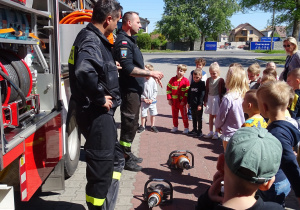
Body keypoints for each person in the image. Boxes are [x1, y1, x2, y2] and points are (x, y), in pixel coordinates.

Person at [68, 1, 123, 209]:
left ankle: (108, 203)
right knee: (101, 170)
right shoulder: (91, 39)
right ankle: (98, 206)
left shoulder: (93, 38)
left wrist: (110, 65)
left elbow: (94, 67)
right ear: (108, 19)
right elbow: (84, 71)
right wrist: (100, 98)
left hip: (101, 116)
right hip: (96, 114)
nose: (116, 25)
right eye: (116, 20)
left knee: (116, 158)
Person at [113, 11, 164, 172]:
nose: (141, 26)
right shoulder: (123, 42)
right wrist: (150, 73)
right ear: (128, 23)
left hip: (135, 90)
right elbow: (127, 68)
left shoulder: (129, 41)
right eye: (138, 23)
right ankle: (124, 158)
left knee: (133, 123)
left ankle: (127, 152)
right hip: (129, 91)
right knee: (129, 123)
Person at [195, 127, 284, 210]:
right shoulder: (276, 208)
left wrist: (206, 200)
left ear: (220, 164)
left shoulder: (204, 205)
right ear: (268, 183)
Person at [256, 81, 300, 207]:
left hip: (275, 182)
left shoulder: (276, 133)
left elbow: (290, 163)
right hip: (283, 179)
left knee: (272, 206)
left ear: (264, 107)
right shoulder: (288, 126)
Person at [215, 64, 249, 151]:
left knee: (228, 158)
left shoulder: (228, 98)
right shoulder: (246, 95)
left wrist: (218, 125)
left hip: (230, 134)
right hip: (243, 133)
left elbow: (221, 115)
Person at [203, 62, 226, 140]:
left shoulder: (221, 80)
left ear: (218, 72)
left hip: (217, 99)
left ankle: (216, 133)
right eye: (211, 73)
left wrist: (222, 101)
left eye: (214, 73)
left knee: (217, 117)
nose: (213, 75)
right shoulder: (208, 80)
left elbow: (223, 91)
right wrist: (205, 100)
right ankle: (210, 132)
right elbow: (206, 90)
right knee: (210, 116)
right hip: (210, 98)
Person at [167, 64, 190, 134]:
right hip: (174, 102)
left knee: (184, 115)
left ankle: (186, 128)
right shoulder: (172, 79)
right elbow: (168, 89)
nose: (179, 72)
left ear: (184, 72)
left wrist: (184, 101)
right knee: (174, 115)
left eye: (181, 71)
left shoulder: (186, 81)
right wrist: (169, 99)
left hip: (182, 103)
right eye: (178, 70)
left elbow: (187, 92)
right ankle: (175, 126)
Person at [137, 64, 159, 133]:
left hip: (152, 101)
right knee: (143, 114)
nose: (145, 74)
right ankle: (142, 126)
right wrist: (143, 98)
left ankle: (152, 126)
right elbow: (140, 91)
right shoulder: (142, 80)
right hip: (144, 101)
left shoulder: (153, 81)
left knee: (153, 114)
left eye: (147, 72)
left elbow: (155, 91)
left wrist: (152, 99)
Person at [187, 68, 206, 137]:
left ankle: (199, 131)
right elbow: (189, 94)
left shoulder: (202, 84)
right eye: (194, 77)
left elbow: (202, 95)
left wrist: (200, 104)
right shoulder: (192, 84)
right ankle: (194, 129)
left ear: (201, 76)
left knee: (199, 118)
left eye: (197, 77)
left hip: (198, 105)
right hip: (192, 104)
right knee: (193, 117)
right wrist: (188, 103)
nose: (195, 79)